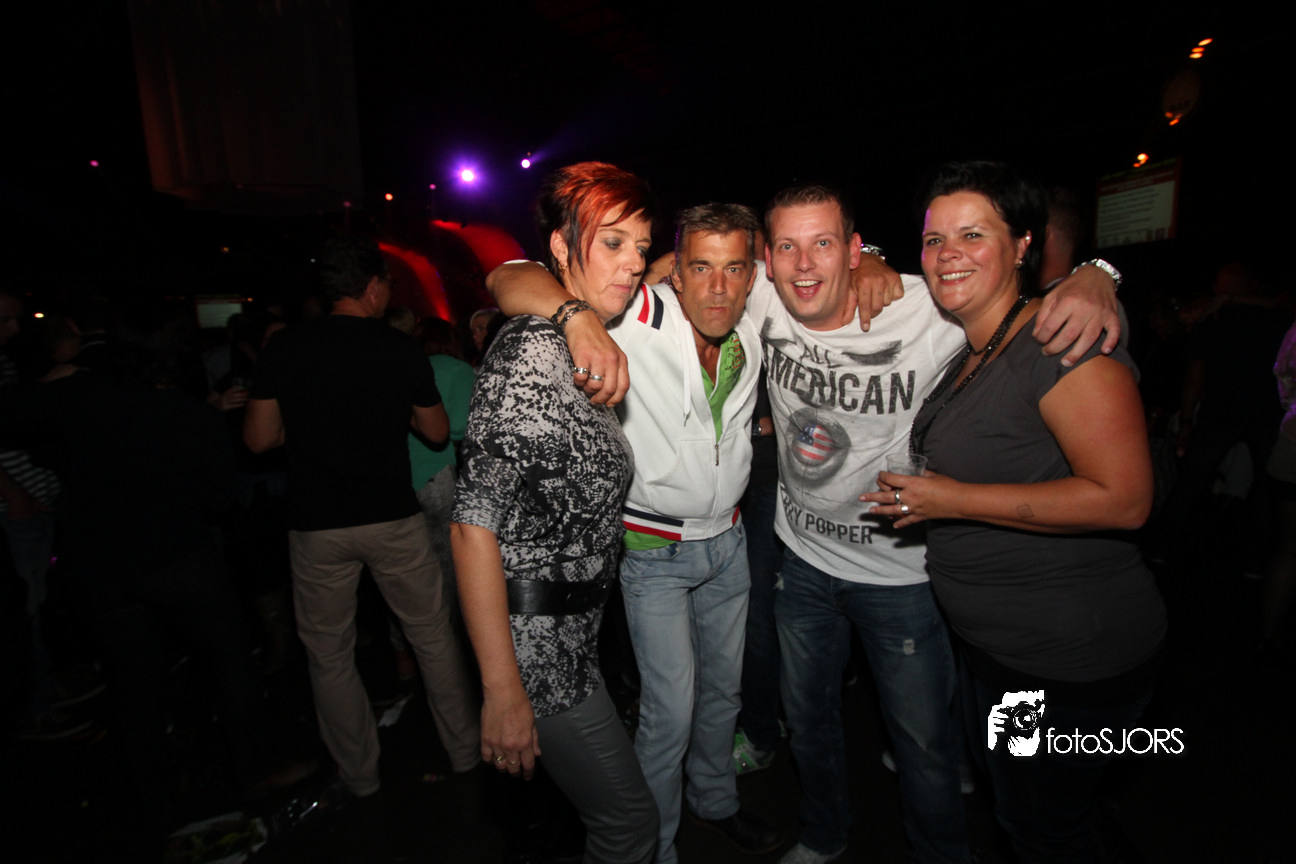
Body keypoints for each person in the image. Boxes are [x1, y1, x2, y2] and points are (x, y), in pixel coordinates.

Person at [862, 161, 1167, 864]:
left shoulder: (1060, 343)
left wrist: (951, 499)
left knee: (1043, 831)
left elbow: (1125, 500)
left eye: (973, 235)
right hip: (999, 652)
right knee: (1042, 815)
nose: (948, 254)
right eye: (934, 239)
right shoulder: (976, 348)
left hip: (1071, 661)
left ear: (1023, 244)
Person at [489, 202, 783, 862]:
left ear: (753, 272)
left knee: (724, 695)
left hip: (729, 542)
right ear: (675, 272)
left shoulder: (757, 314)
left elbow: (825, 272)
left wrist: (871, 258)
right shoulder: (642, 313)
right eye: (700, 267)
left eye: (735, 268)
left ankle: (715, 801)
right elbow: (507, 276)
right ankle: (656, 846)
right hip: (655, 551)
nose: (718, 287)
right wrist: (577, 317)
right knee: (670, 711)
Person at [451, 162, 659, 864]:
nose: (634, 261)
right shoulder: (535, 350)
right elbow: (470, 525)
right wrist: (502, 690)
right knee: (629, 824)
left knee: (605, 821)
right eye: (614, 243)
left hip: (571, 641)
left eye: (642, 246)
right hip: (536, 654)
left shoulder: (576, 338)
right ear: (563, 248)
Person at [244, 235, 480, 797]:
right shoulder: (398, 348)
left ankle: (360, 776)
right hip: (390, 515)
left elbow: (258, 439)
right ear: (374, 287)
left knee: (329, 654)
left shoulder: (284, 347)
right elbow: (436, 433)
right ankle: (466, 754)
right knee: (431, 636)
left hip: (316, 523)